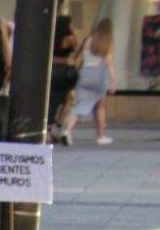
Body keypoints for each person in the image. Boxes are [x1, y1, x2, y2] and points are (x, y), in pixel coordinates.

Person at [61, 18, 117, 146]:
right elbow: (109, 65)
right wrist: (113, 82)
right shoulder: (107, 44)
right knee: (100, 106)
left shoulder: (87, 41)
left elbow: (78, 58)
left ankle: (67, 130)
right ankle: (100, 136)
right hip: (99, 77)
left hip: (85, 74)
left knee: (79, 106)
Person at [47, 14, 78, 141]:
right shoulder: (70, 38)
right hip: (64, 70)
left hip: (51, 68)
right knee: (68, 99)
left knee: (51, 99)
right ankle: (58, 124)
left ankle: (49, 127)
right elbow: (76, 48)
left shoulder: (51, 36)